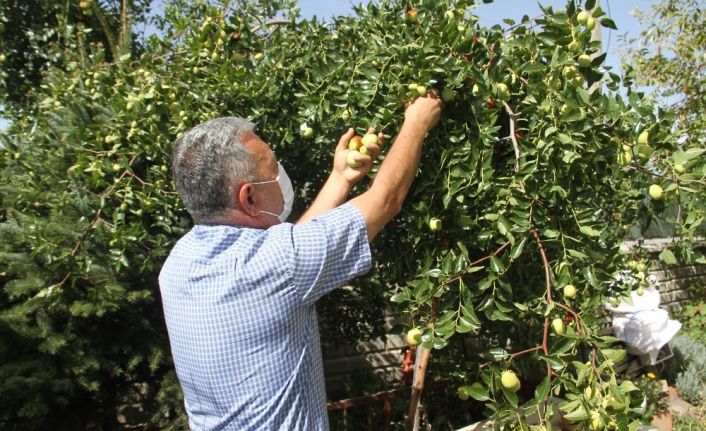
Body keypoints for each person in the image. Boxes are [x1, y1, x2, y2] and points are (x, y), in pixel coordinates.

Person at [158, 93, 441, 430]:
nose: (281, 175)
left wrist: (342, 177)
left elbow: (286, 258)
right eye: (274, 169)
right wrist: (417, 122)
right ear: (248, 197)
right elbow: (385, 200)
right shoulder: (278, 265)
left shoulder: (178, 264)